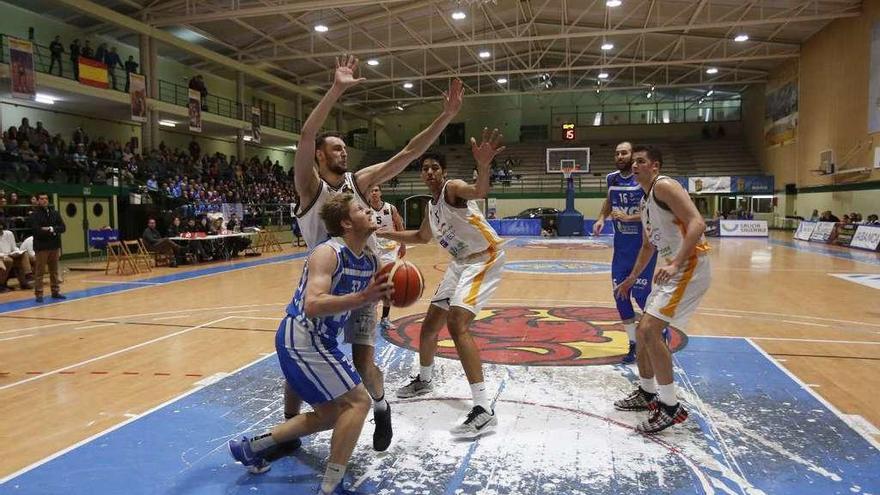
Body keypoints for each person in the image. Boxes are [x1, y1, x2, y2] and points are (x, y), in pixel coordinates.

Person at [287, 56, 463, 452]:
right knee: (297, 358)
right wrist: (336, 89)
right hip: (322, 284)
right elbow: (305, 134)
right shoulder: (309, 186)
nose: (343, 153)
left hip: (365, 281)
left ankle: (380, 408)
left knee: (364, 363)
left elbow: (408, 152)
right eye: (335, 148)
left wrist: (445, 116)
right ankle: (288, 426)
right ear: (318, 155)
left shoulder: (360, 181)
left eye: (345, 147)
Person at [228, 193, 393, 495]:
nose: (369, 209)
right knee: (359, 402)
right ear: (345, 223)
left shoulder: (370, 260)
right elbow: (313, 304)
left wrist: (384, 296)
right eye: (360, 208)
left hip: (321, 342)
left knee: (332, 415)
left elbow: (363, 306)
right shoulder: (327, 253)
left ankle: (250, 447)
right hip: (302, 338)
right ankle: (330, 486)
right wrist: (363, 297)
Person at [379, 129, 506, 439]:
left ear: (443, 172)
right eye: (425, 168)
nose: (430, 172)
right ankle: (424, 378)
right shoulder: (431, 208)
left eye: (435, 167)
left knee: (458, 323)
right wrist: (385, 234)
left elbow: (479, 190)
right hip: (459, 264)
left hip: (484, 257)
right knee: (430, 325)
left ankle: (483, 409)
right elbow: (421, 237)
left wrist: (485, 165)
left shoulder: (452, 189)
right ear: (421, 175)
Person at [613, 145, 712, 434]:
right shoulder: (644, 202)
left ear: (655, 166)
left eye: (641, 161)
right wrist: (632, 277)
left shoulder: (665, 186)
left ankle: (670, 407)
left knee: (648, 331)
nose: (635, 166)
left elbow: (697, 222)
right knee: (644, 330)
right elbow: (647, 246)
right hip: (673, 268)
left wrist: (675, 263)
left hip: (689, 265)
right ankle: (647, 392)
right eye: (634, 162)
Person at [592, 142, 659, 364]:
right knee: (620, 295)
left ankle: (660, 333)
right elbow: (609, 200)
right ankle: (633, 343)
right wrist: (602, 217)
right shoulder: (612, 179)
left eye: (625, 153)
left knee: (641, 295)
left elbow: (653, 210)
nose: (620, 156)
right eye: (617, 153)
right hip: (620, 251)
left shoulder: (643, 180)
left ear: (633, 156)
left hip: (643, 249)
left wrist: (631, 218)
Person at [367, 184, 406, 329]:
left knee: (388, 283)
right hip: (373, 250)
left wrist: (403, 244)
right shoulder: (366, 209)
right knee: (372, 284)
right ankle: (369, 315)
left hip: (389, 250)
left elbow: (399, 226)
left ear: (381, 192)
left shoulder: (390, 208)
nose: (374, 193)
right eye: (371, 190)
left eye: (376, 190)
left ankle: (385, 318)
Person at [28, 193, 66, 302]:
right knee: (39, 272)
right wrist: (53, 230)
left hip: (54, 245)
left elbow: (63, 228)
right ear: (38, 200)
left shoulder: (55, 213)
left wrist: (50, 229)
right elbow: (37, 231)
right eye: (42, 198)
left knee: (54, 271)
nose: (44, 200)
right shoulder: (34, 215)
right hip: (41, 247)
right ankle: (39, 294)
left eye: (46, 198)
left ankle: (55, 291)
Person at [0, 220, 32, 291]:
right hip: (2, 257)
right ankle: (1, 285)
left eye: (1, 229)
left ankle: (27, 275)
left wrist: (17, 251)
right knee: (9, 261)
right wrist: (4, 255)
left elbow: (13, 247)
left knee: (24, 254)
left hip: (9, 254)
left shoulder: (9, 234)